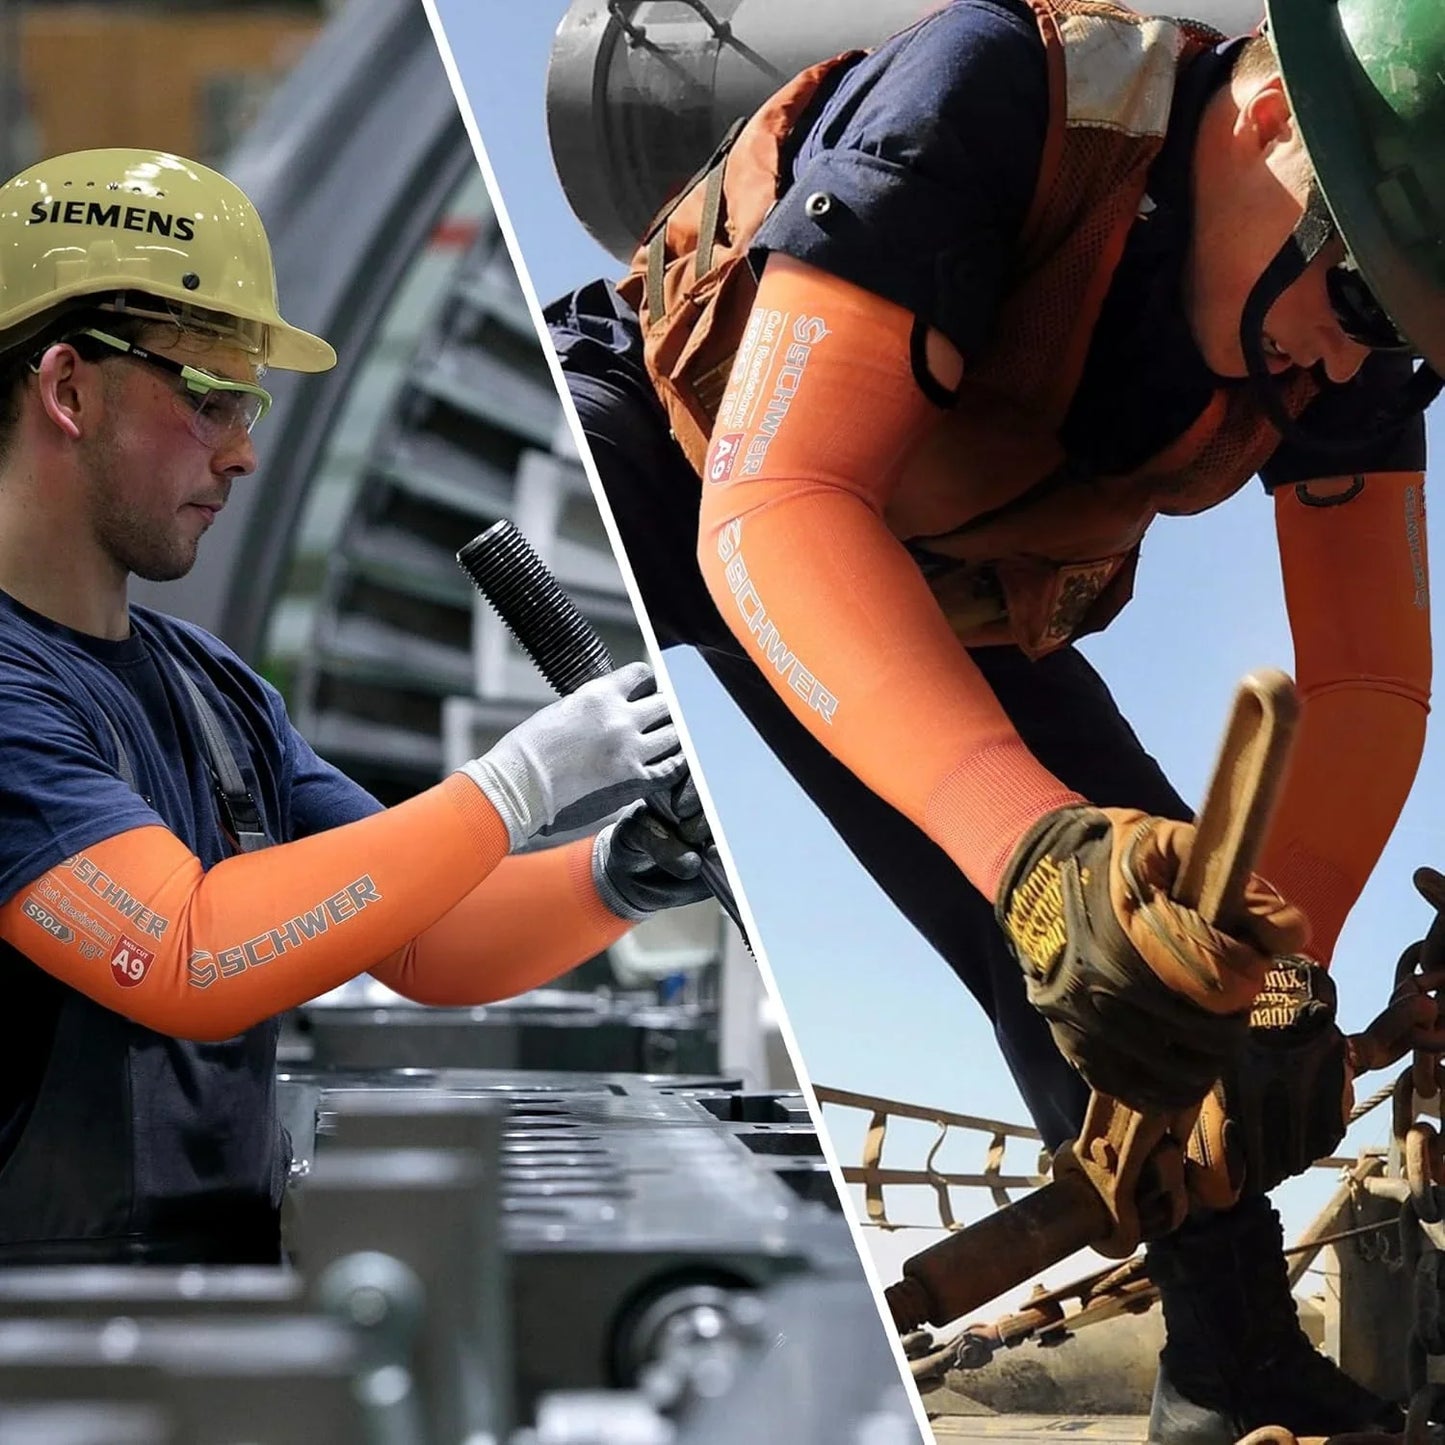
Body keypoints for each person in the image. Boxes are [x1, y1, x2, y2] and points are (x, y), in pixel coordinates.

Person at [546, 0, 1443, 1436]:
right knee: (561, 744)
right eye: (1368, 309)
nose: (1356, 364)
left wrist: (1273, 975)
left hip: (947, 569)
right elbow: (781, 499)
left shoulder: (1351, 323)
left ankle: (1232, 1359)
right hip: (672, 454)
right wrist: (1027, 852)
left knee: (1156, 935)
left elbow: (1368, 682)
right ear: (1274, 122)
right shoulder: (992, 96)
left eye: (1410, 341)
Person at [0, 148, 713, 1268]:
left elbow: (415, 931)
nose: (244, 452)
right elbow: (187, 953)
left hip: (193, 1308)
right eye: (211, 398)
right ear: (69, 389)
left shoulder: (209, 688)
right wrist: (521, 779)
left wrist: (623, 868)